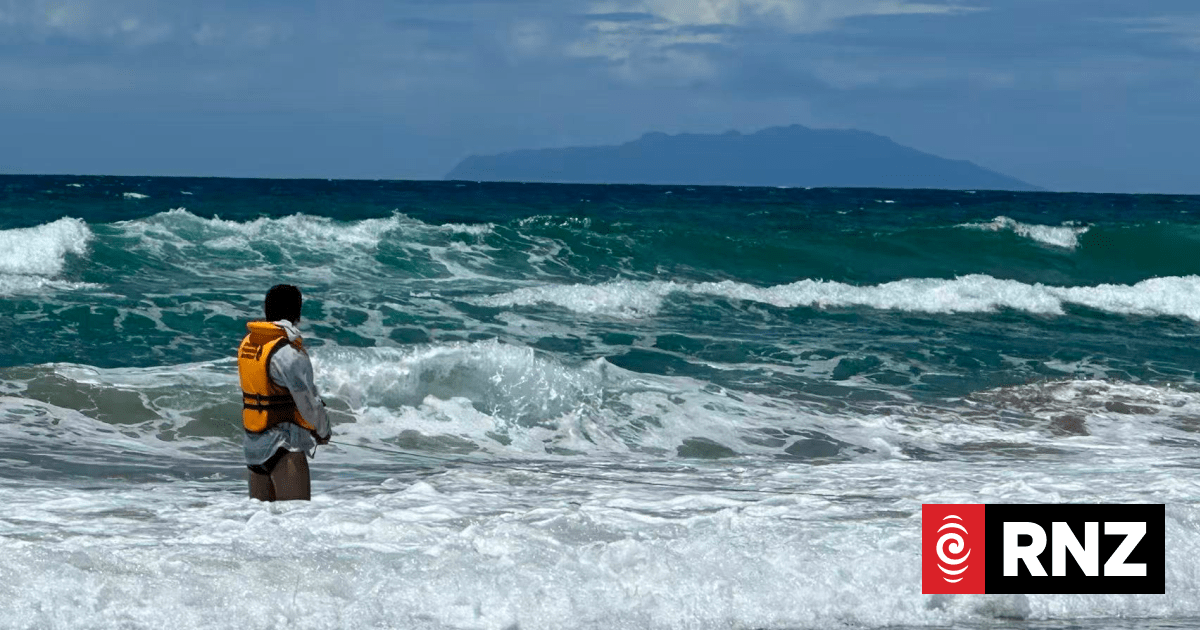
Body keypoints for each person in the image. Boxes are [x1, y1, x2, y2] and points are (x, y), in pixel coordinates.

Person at [237, 284, 332, 501]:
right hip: (285, 448)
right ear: (296, 313)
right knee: (295, 519)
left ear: (267, 310)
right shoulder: (288, 352)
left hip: (253, 450)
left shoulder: (249, 345)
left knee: (262, 521)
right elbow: (308, 404)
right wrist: (324, 431)